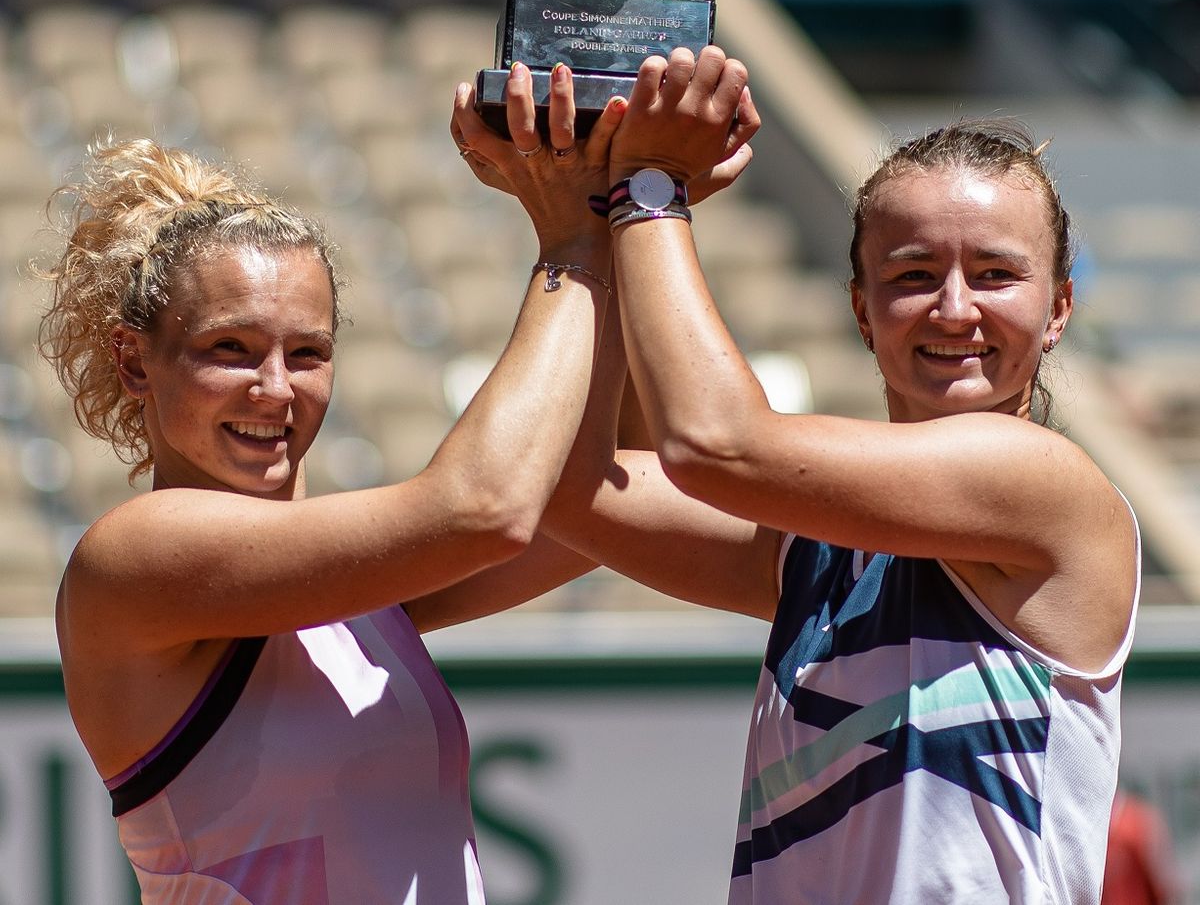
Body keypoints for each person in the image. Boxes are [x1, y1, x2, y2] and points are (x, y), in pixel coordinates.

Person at [458, 46, 1140, 904]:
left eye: (998, 274)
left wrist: (649, 192)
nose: (956, 308)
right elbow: (569, 487)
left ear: (1059, 309)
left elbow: (714, 442)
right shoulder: (810, 548)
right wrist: (581, 229)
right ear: (861, 307)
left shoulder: (1044, 484)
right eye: (913, 275)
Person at [38, 65, 657, 903]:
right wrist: (570, 245)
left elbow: (624, 475)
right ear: (131, 360)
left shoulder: (360, 584)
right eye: (230, 349)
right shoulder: (137, 557)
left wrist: (636, 203)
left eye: (308, 353)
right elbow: (486, 510)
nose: (276, 388)